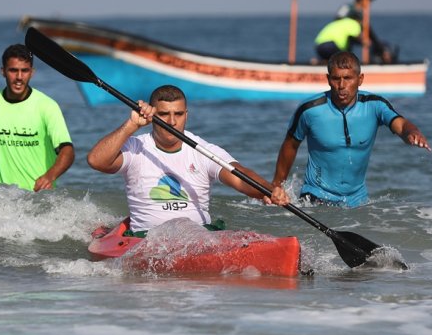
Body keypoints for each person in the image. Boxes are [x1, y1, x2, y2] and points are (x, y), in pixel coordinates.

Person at [87, 84, 288, 235]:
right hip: (146, 239)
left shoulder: (203, 150)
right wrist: (131, 125)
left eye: (178, 114)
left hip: (198, 237)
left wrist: (267, 189)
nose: (172, 122)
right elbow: (97, 161)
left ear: (187, 115)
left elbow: (239, 175)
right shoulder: (135, 147)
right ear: (152, 115)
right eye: (164, 114)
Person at [272, 51, 430, 208]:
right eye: (336, 79)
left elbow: (400, 125)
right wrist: (277, 187)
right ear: (328, 80)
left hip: (357, 202)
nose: (341, 86)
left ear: (360, 79)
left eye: (347, 78)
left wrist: (412, 132)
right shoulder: (309, 109)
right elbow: (290, 145)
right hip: (315, 198)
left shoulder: (375, 105)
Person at [0, 44, 75, 192]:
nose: (19, 77)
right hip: (1, 198)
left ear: (32, 72)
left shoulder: (47, 106)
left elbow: (67, 151)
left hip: (38, 197)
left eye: (24, 71)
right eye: (13, 70)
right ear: (3, 71)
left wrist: (50, 176)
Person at [330, 0, 396, 63]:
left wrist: (377, 44)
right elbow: (338, 20)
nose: (369, 4)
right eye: (368, 0)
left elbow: (368, 29)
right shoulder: (347, 8)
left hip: (353, 38)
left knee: (373, 44)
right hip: (342, 38)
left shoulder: (361, 14)